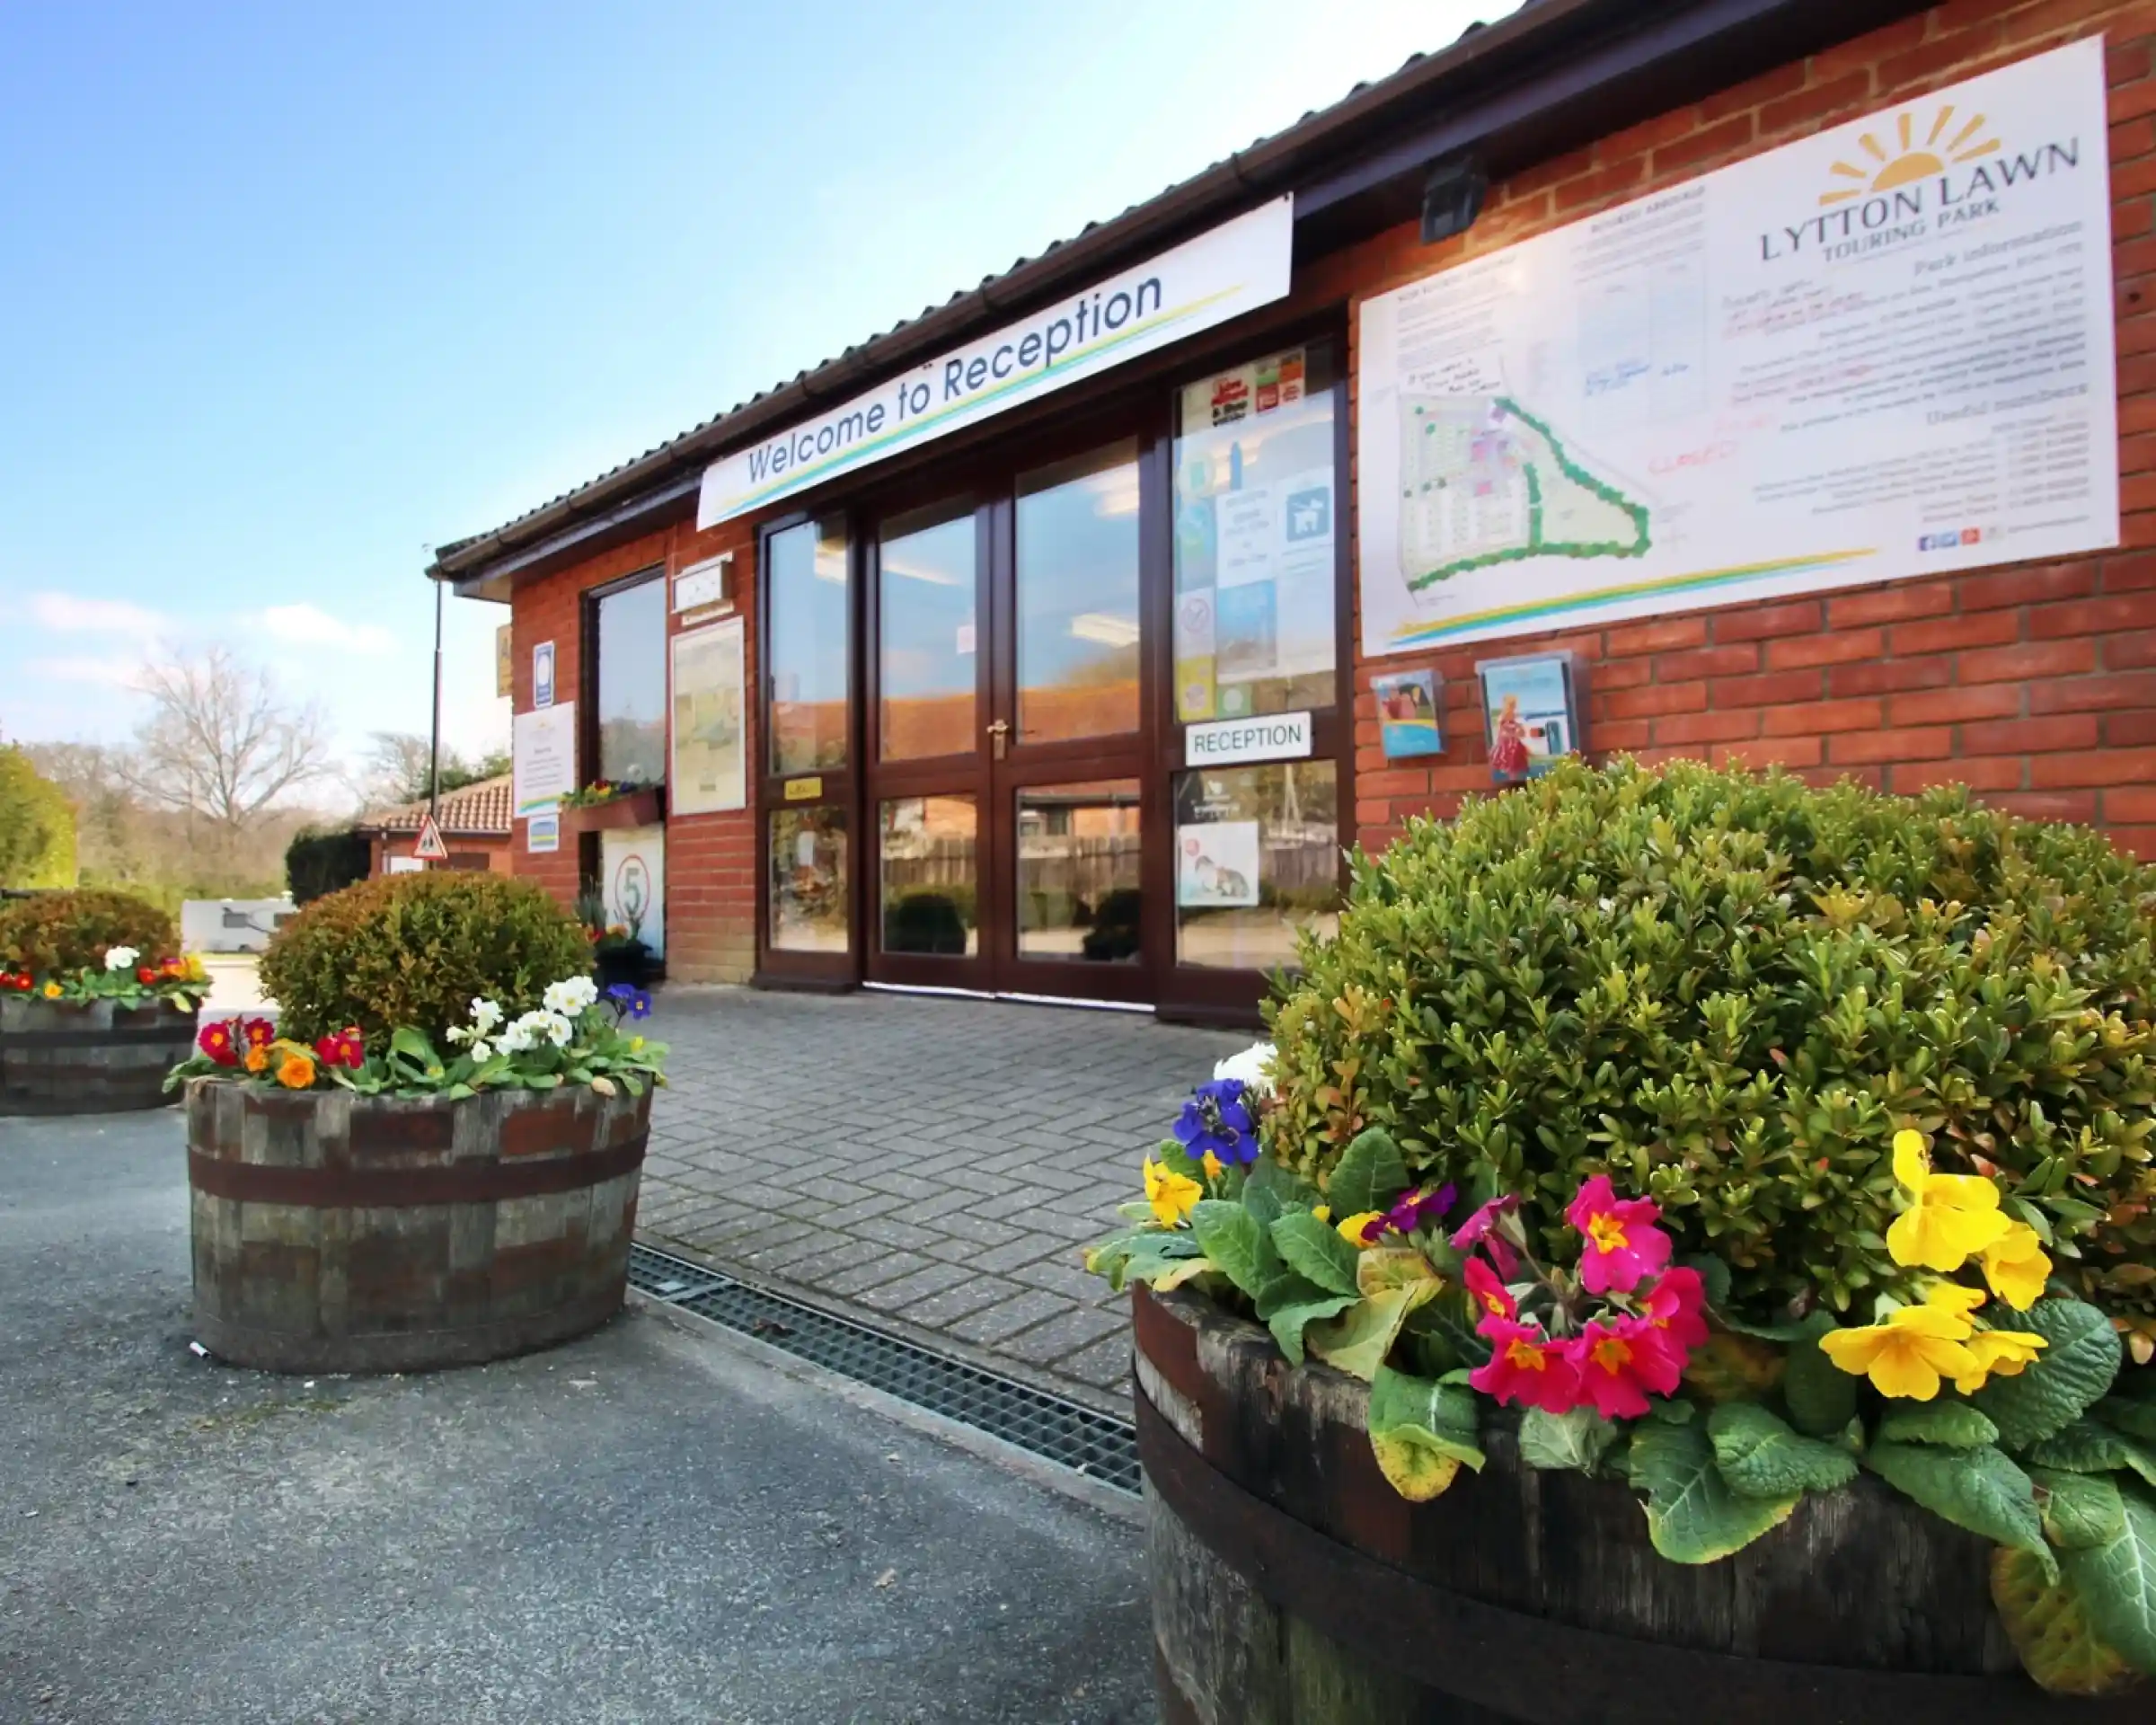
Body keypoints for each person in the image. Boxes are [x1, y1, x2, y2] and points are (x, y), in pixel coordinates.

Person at [1489, 693, 1531, 779]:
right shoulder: (1503, 716)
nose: (1514, 707)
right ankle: (1512, 778)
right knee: (1511, 759)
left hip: (1513, 740)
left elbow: (1516, 726)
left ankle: (1514, 778)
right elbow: (1502, 730)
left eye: (1514, 705)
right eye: (1512, 704)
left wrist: (1519, 727)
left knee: (1517, 760)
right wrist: (1514, 732)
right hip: (1506, 742)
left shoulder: (1513, 715)